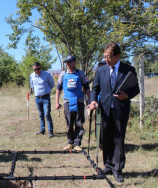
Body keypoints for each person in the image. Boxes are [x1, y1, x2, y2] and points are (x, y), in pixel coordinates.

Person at [90, 42, 140, 182]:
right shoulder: (101, 70)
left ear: (117, 56)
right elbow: (95, 89)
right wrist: (93, 101)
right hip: (104, 110)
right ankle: (108, 165)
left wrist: (127, 95)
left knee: (118, 139)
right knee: (105, 138)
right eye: (105, 56)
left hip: (120, 109)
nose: (107, 59)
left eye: (109, 56)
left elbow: (136, 89)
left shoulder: (128, 70)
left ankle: (118, 168)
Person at [55, 55, 91, 151]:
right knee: (69, 122)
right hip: (67, 101)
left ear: (75, 62)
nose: (68, 64)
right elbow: (58, 89)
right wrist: (56, 102)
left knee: (79, 122)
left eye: (70, 62)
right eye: (67, 62)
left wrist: (90, 101)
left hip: (79, 101)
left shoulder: (81, 74)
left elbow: (87, 88)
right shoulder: (63, 74)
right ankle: (70, 143)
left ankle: (77, 144)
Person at [30, 62, 55, 138]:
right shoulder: (32, 76)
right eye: (35, 69)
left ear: (40, 67)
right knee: (41, 114)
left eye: (38, 69)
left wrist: (47, 91)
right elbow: (32, 86)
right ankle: (42, 130)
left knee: (47, 114)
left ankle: (50, 131)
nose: (36, 70)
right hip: (37, 98)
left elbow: (52, 84)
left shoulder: (47, 74)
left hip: (46, 98)